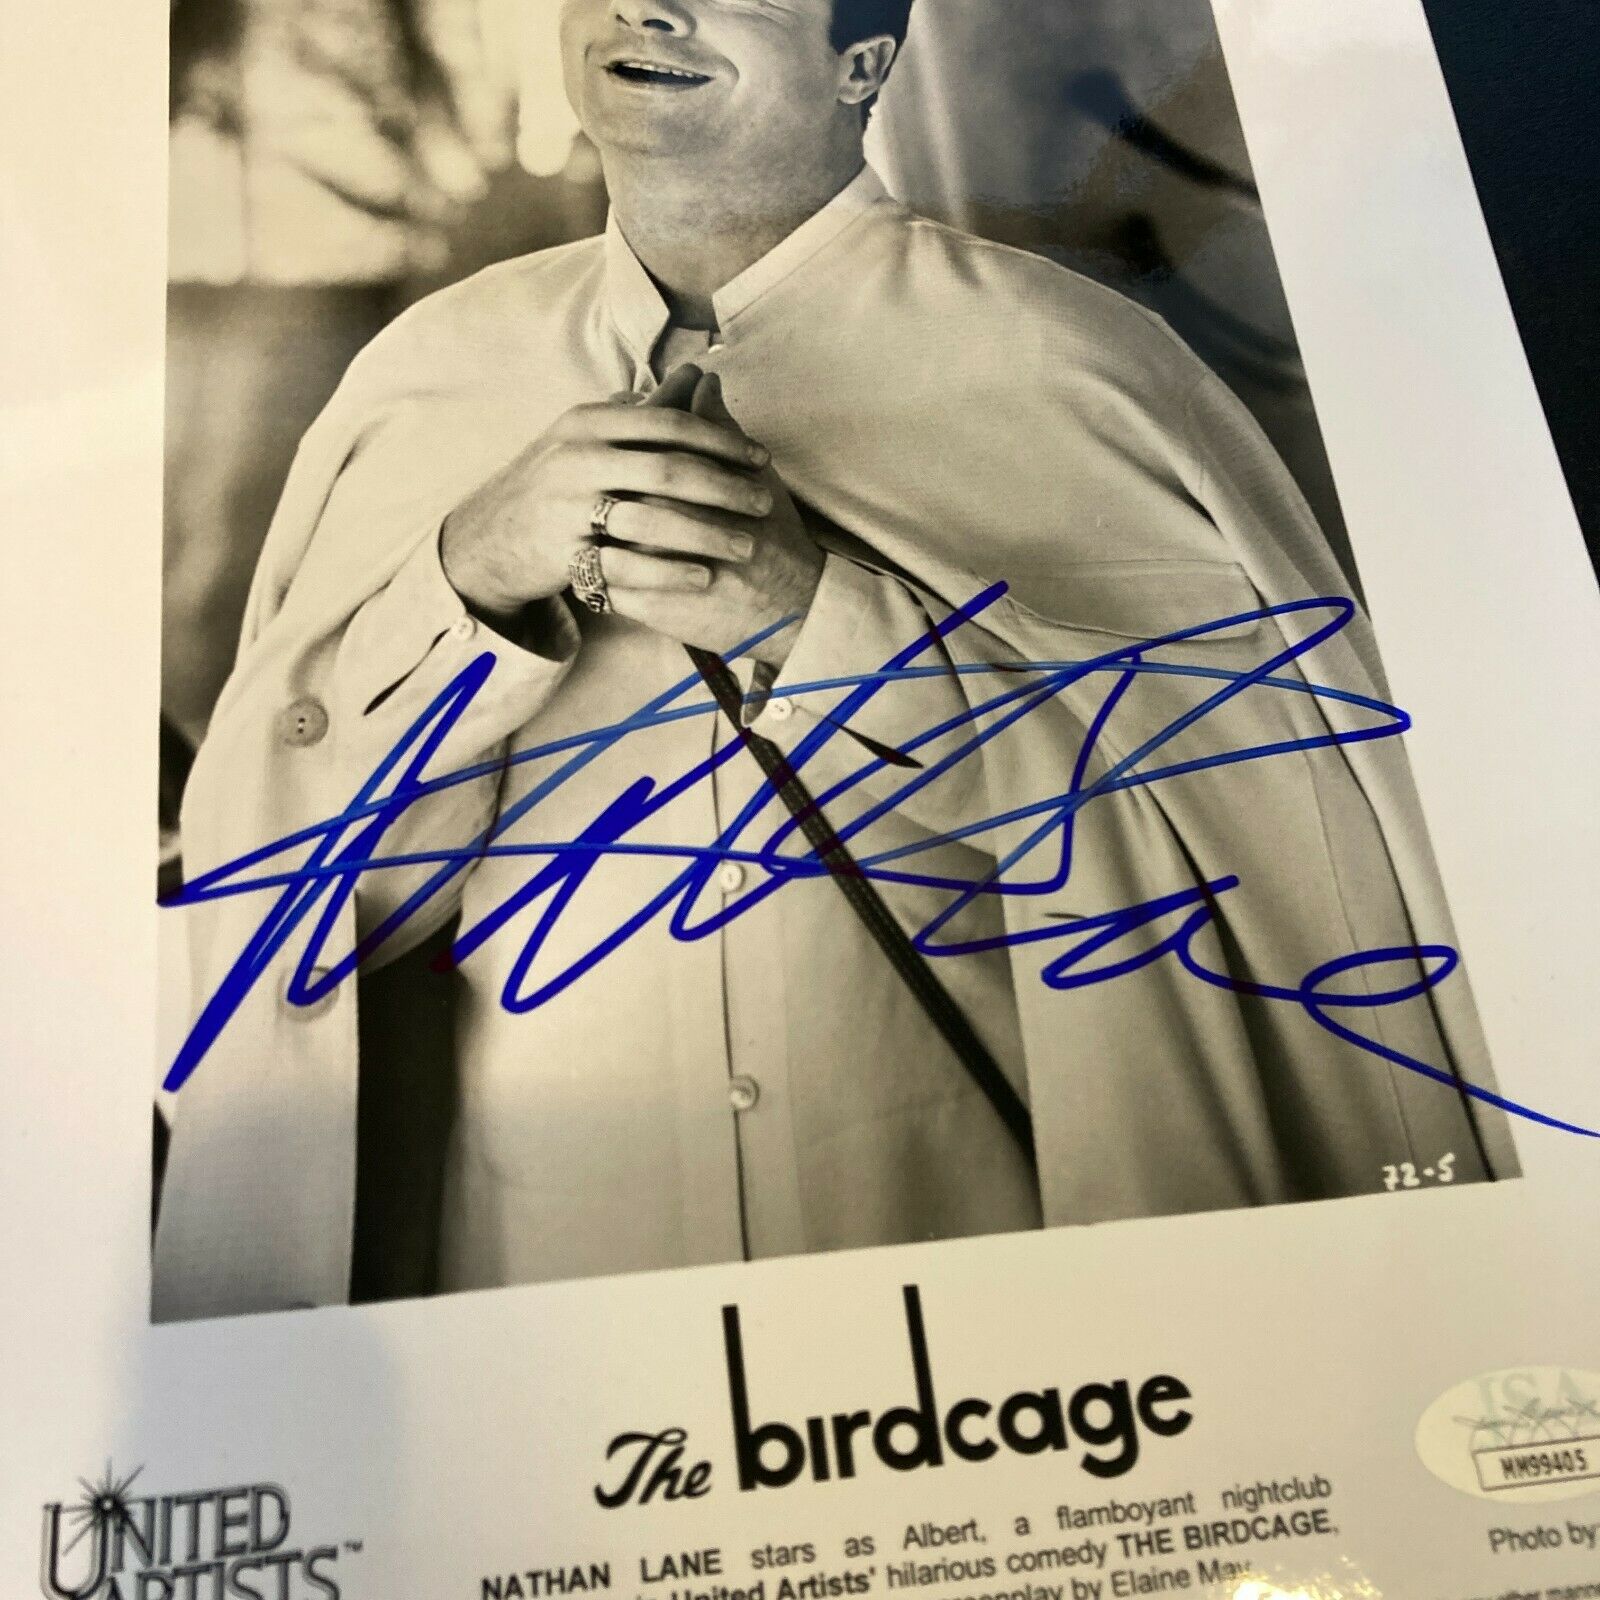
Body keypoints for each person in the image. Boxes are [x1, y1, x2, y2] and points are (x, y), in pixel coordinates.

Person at [153, 0, 1519, 1322]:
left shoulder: (1082, 375)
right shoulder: (420, 386)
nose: (650, 9)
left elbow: (1269, 860)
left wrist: (812, 626)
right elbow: (290, 913)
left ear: (864, 62)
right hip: (557, 1343)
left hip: (1000, 1334)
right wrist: (469, 582)